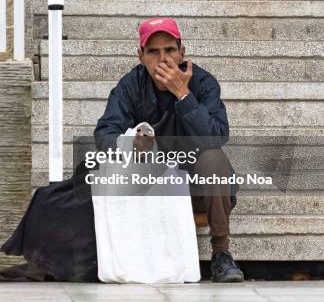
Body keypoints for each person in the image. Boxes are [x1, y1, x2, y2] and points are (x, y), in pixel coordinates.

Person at [94, 17, 244, 282]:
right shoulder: (130, 86)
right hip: (151, 185)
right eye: (153, 51)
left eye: (170, 50)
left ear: (182, 52)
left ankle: (221, 253)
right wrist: (131, 142)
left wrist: (183, 95)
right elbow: (105, 134)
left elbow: (216, 136)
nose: (163, 59)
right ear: (140, 56)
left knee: (214, 159)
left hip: (194, 187)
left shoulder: (203, 83)